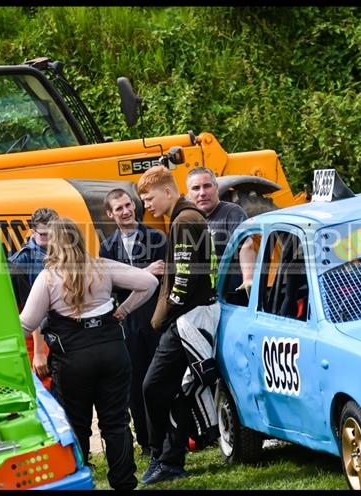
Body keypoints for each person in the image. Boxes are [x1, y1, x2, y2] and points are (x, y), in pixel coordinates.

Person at [19, 217, 158, 491]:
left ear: (54, 244)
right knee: (116, 422)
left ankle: (80, 481)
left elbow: (27, 324)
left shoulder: (49, 277)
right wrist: (124, 310)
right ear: (80, 239)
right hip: (112, 351)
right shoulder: (101, 266)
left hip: (73, 358)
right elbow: (148, 281)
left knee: (77, 424)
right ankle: (124, 483)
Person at [137, 165, 220, 485]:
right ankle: (169, 459)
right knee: (178, 391)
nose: (147, 205)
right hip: (193, 315)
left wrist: (160, 318)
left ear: (169, 191)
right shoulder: (185, 218)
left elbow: (182, 281)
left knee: (153, 387)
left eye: (149, 197)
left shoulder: (184, 220)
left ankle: (162, 455)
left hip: (187, 319)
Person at [99, 188, 166, 456]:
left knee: (161, 379)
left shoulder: (157, 238)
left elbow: (162, 275)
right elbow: (110, 286)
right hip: (128, 323)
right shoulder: (107, 247)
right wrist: (143, 272)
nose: (126, 211)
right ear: (110, 214)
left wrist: (134, 276)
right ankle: (147, 442)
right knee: (135, 383)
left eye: (129, 205)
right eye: (119, 208)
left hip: (156, 318)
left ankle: (172, 437)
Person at [8, 208, 58, 388]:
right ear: (32, 230)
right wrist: (39, 352)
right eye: (44, 234)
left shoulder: (65, 253)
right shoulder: (21, 262)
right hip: (42, 335)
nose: (50, 238)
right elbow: (29, 310)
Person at [186, 167, 248, 262]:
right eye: (196, 188)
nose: (202, 193)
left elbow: (246, 247)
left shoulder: (232, 213)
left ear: (216, 187)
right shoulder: (189, 222)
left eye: (207, 186)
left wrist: (247, 277)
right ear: (189, 194)